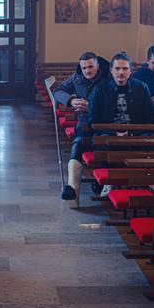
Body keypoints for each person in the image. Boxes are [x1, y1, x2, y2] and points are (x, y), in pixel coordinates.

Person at [88, 52, 154, 197]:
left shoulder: (141, 88)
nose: (121, 73)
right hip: (109, 132)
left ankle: (143, 180)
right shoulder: (101, 88)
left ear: (131, 71)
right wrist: (114, 133)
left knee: (151, 141)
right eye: (117, 69)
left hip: (135, 133)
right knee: (102, 141)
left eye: (125, 69)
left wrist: (132, 133)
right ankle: (108, 182)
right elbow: (93, 120)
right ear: (111, 70)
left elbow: (149, 119)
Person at [53, 52, 110, 203]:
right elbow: (57, 91)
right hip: (84, 123)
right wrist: (71, 100)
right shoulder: (77, 77)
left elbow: (114, 102)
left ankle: (104, 183)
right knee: (78, 144)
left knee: (102, 146)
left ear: (98, 66)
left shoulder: (109, 77)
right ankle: (72, 189)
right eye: (84, 67)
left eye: (91, 67)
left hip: (105, 123)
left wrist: (91, 106)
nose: (87, 71)